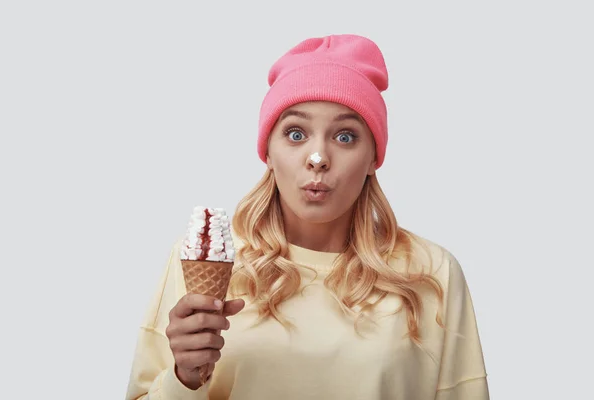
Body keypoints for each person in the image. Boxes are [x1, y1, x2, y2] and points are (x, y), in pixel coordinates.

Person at [125, 34, 489, 400]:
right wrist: (184, 378)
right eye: (296, 133)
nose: (318, 157)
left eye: (345, 137)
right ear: (267, 150)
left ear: (373, 158)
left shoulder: (431, 272)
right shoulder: (205, 258)